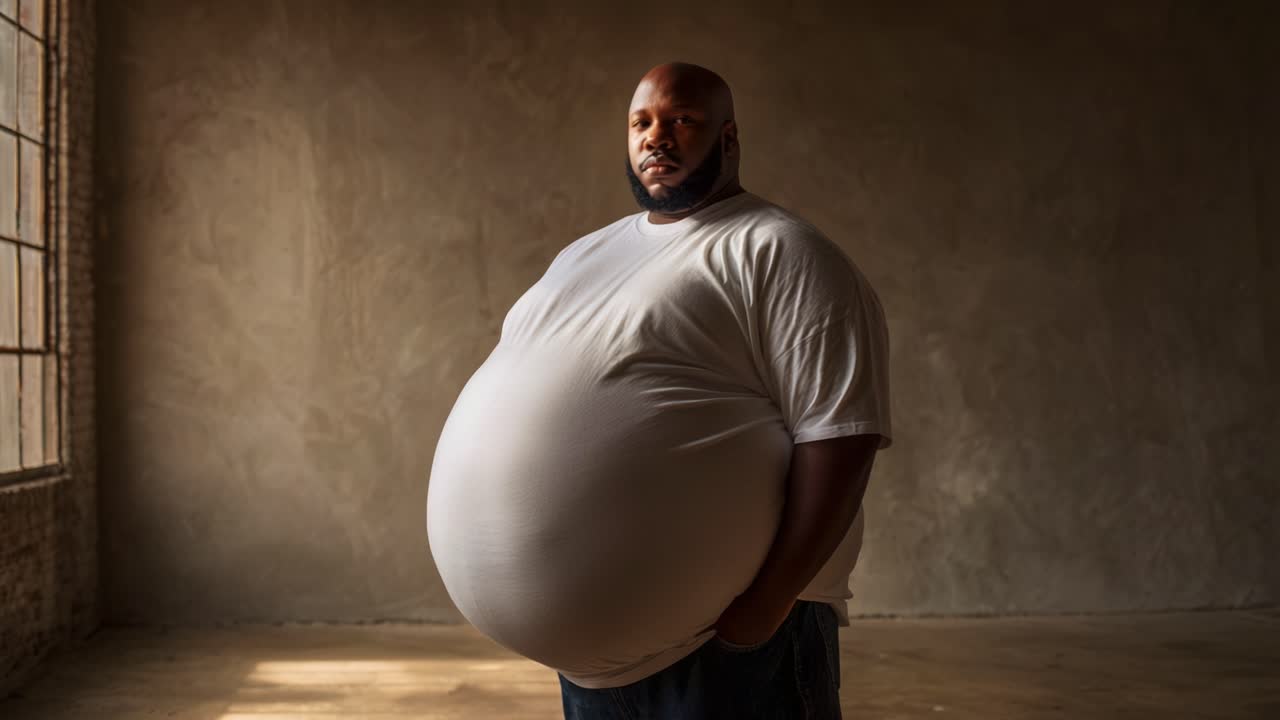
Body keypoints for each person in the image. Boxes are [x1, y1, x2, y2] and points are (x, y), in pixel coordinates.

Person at [426, 62, 892, 719]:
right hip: (593, 672)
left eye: (682, 121)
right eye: (641, 122)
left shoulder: (782, 252)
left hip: (728, 651)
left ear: (728, 140)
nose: (656, 137)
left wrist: (763, 610)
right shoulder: (586, 254)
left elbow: (842, 438)